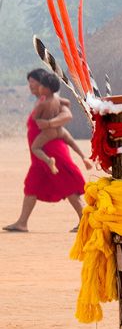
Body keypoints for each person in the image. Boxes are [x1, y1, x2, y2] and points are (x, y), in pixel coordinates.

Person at [4, 68, 88, 232]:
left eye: (33, 83)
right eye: (29, 83)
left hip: (52, 149)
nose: (31, 86)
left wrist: (50, 124)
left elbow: (67, 115)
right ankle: (22, 223)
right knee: (32, 185)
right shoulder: (42, 100)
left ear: (43, 84)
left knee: (67, 182)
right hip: (40, 154)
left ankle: (85, 220)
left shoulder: (52, 100)